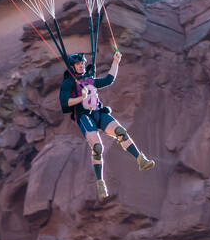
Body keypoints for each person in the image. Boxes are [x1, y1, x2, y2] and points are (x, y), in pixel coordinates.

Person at [59, 50, 154, 199]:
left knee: (121, 132)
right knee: (97, 148)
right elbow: (66, 102)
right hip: (84, 116)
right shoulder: (68, 83)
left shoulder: (90, 78)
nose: (82, 66)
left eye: (83, 63)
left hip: (98, 112)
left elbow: (109, 80)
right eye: (78, 64)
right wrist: (81, 98)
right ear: (72, 66)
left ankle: (140, 160)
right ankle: (100, 183)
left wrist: (115, 62)